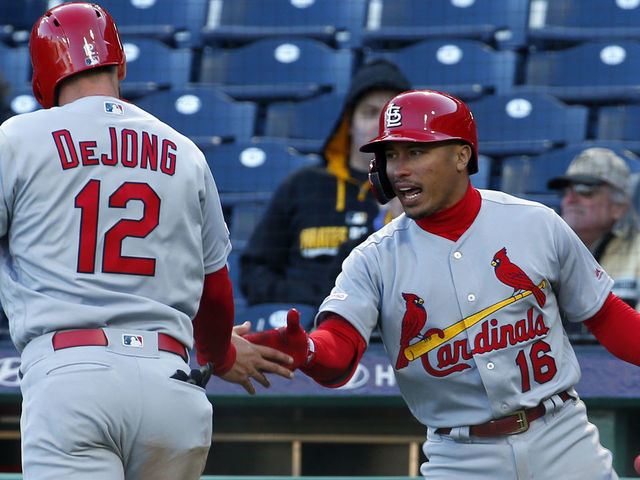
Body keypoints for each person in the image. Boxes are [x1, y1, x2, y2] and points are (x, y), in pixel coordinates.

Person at [245, 90, 640, 479]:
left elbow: (607, 317)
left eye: (416, 152)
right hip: (460, 455)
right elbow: (340, 346)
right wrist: (311, 350)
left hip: (562, 437)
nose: (399, 169)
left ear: (461, 155)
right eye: (391, 155)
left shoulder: (534, 223)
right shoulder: (374, 258)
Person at [0, 3, 292, 479]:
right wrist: (220, 355)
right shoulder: (185, 150)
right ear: (121, 65)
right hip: (170, 384)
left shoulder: (18, 138)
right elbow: (215, 292)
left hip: (71, 376)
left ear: (41, 77)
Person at [239, 58, 411, 308]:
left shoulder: (416, 192)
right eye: (370, 113)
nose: (380, 124)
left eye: (391, 114)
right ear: (349, 123)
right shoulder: (302, 185)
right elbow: (255, 273)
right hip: (300, 325)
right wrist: (304, 306)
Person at [547, 147, 640, 310]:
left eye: (585, 189)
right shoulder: (545, 252)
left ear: (617, 207)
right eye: (565, 190)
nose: (570, 199)